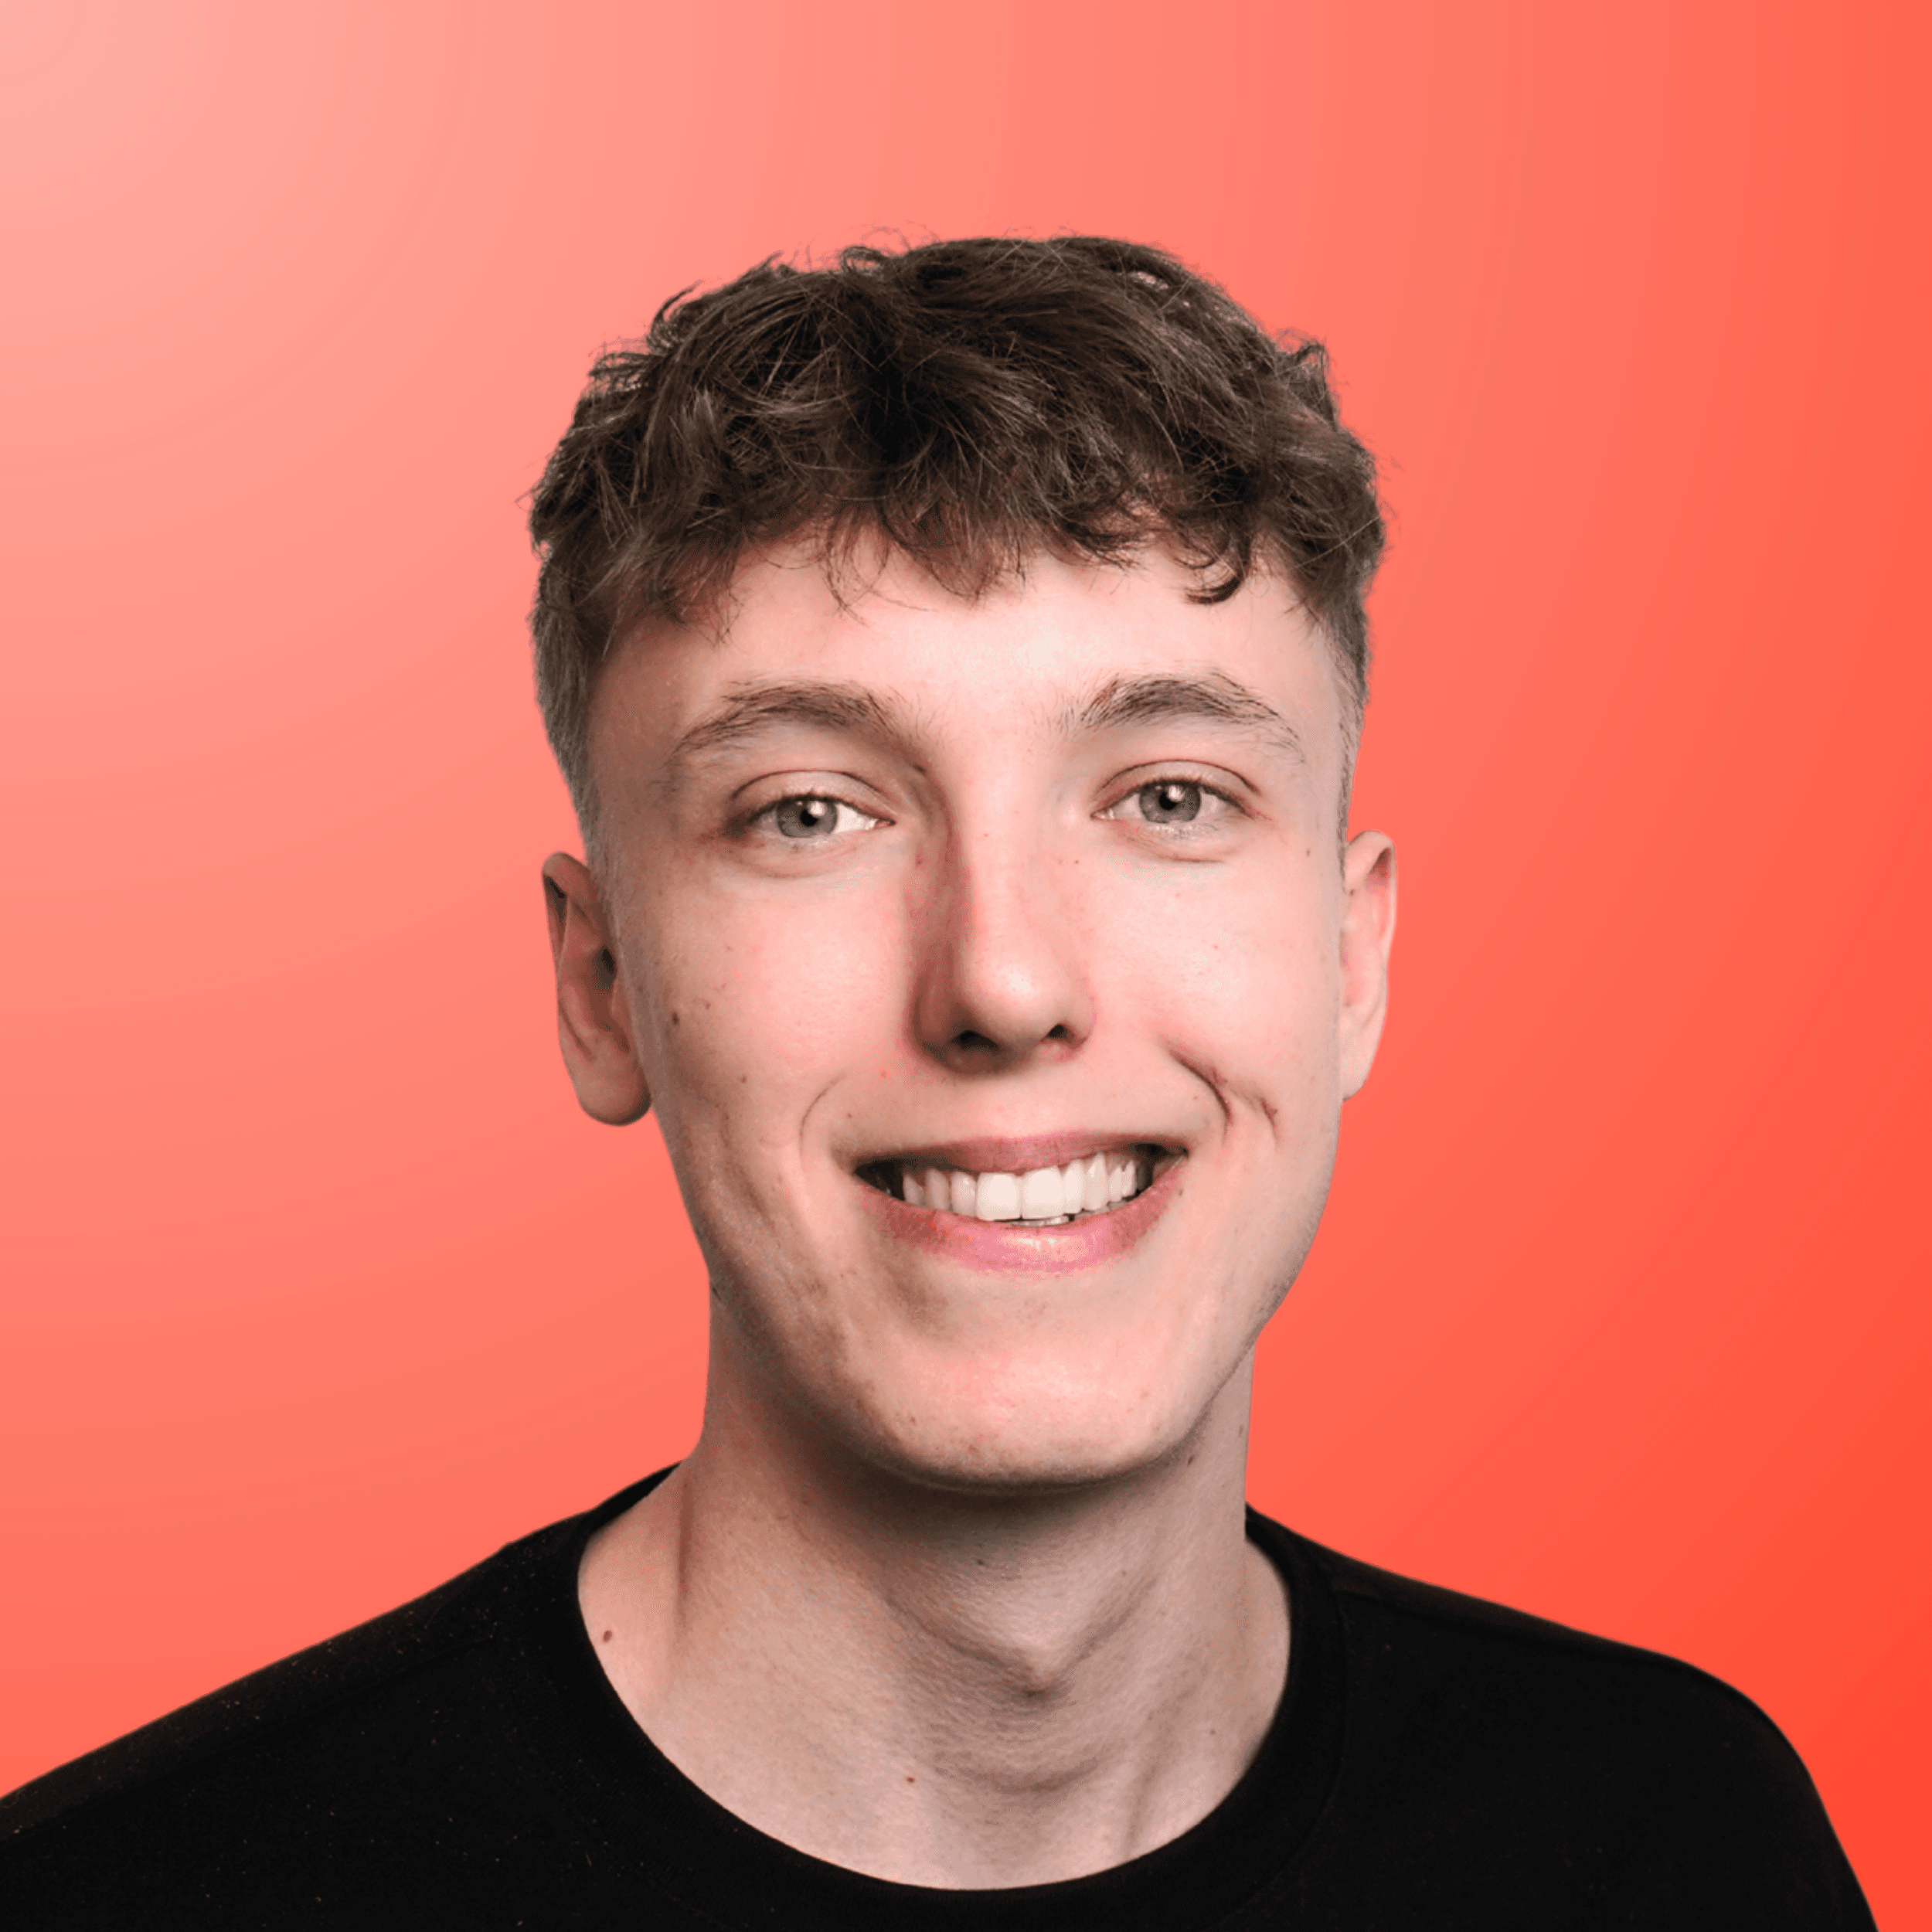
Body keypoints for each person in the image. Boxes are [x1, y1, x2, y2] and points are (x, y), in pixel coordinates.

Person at [0, 236, 1873, 1927]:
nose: (1001, 979)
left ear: (1348, 957)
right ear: (602, 985)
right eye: (809, 811)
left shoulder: (1675, 1840)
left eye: (1167, 796)